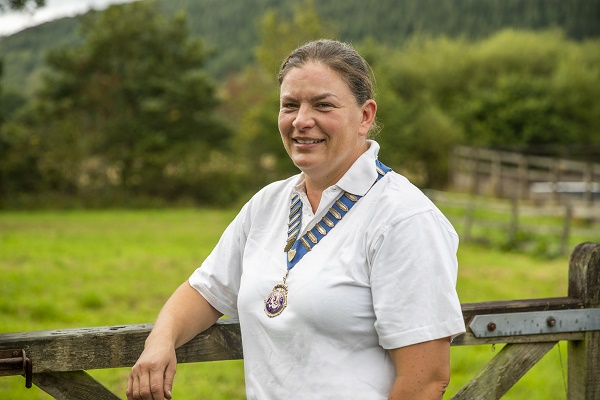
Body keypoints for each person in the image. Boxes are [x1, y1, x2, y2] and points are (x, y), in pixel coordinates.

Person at [127, 39, 465, 400]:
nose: (302, 120)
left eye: (323, 105)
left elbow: (426, 379)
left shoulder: (403, 218)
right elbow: (206, 291)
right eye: (290, 105)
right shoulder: (268, 203)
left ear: (365, 116)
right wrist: (160, 340)